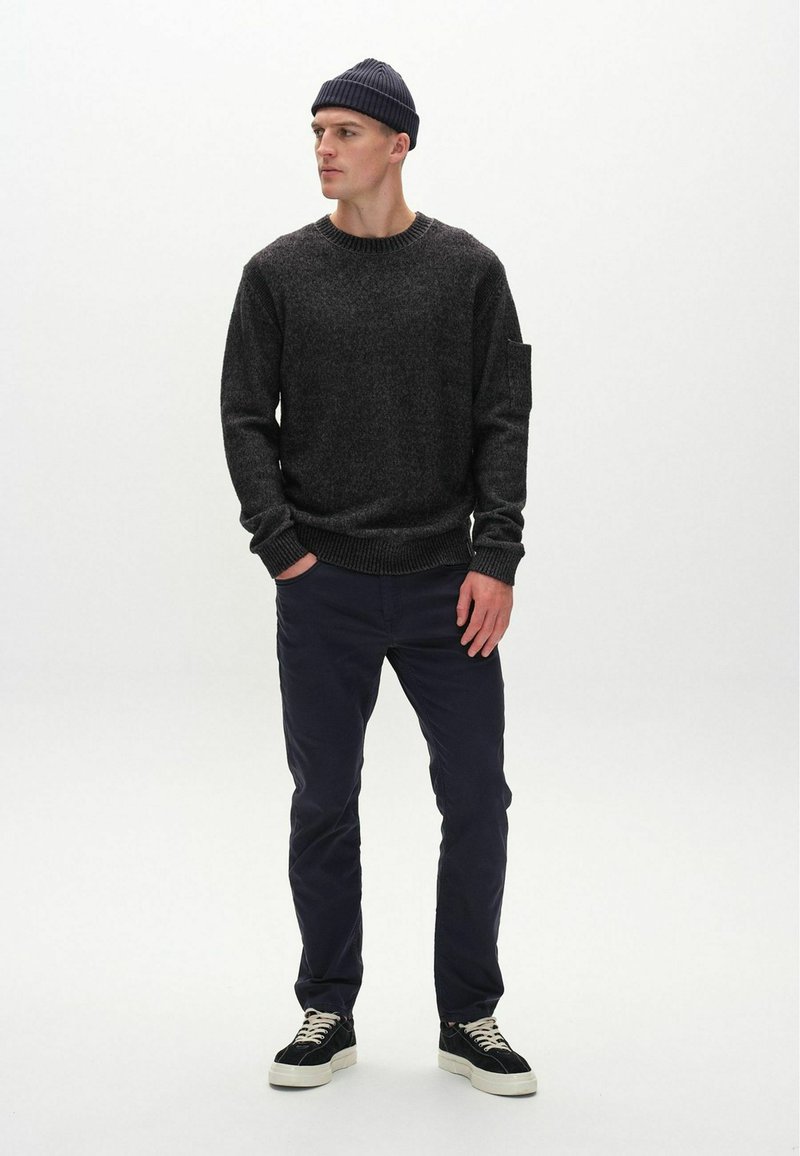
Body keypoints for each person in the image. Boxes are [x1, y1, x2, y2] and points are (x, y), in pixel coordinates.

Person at [220, 58, 536, 1097]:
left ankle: (469, 1017)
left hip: (449, 587)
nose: (324, 148)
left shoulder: (468, 270)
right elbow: (243, 416)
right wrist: (283, 549)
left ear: (399, 143)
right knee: (323, 799)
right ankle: (327, 1008)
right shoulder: (277, 272)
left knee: (477, 798)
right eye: (317, 130)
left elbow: (502, 417)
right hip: (325, 588)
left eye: (345, 131)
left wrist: (495, 557)